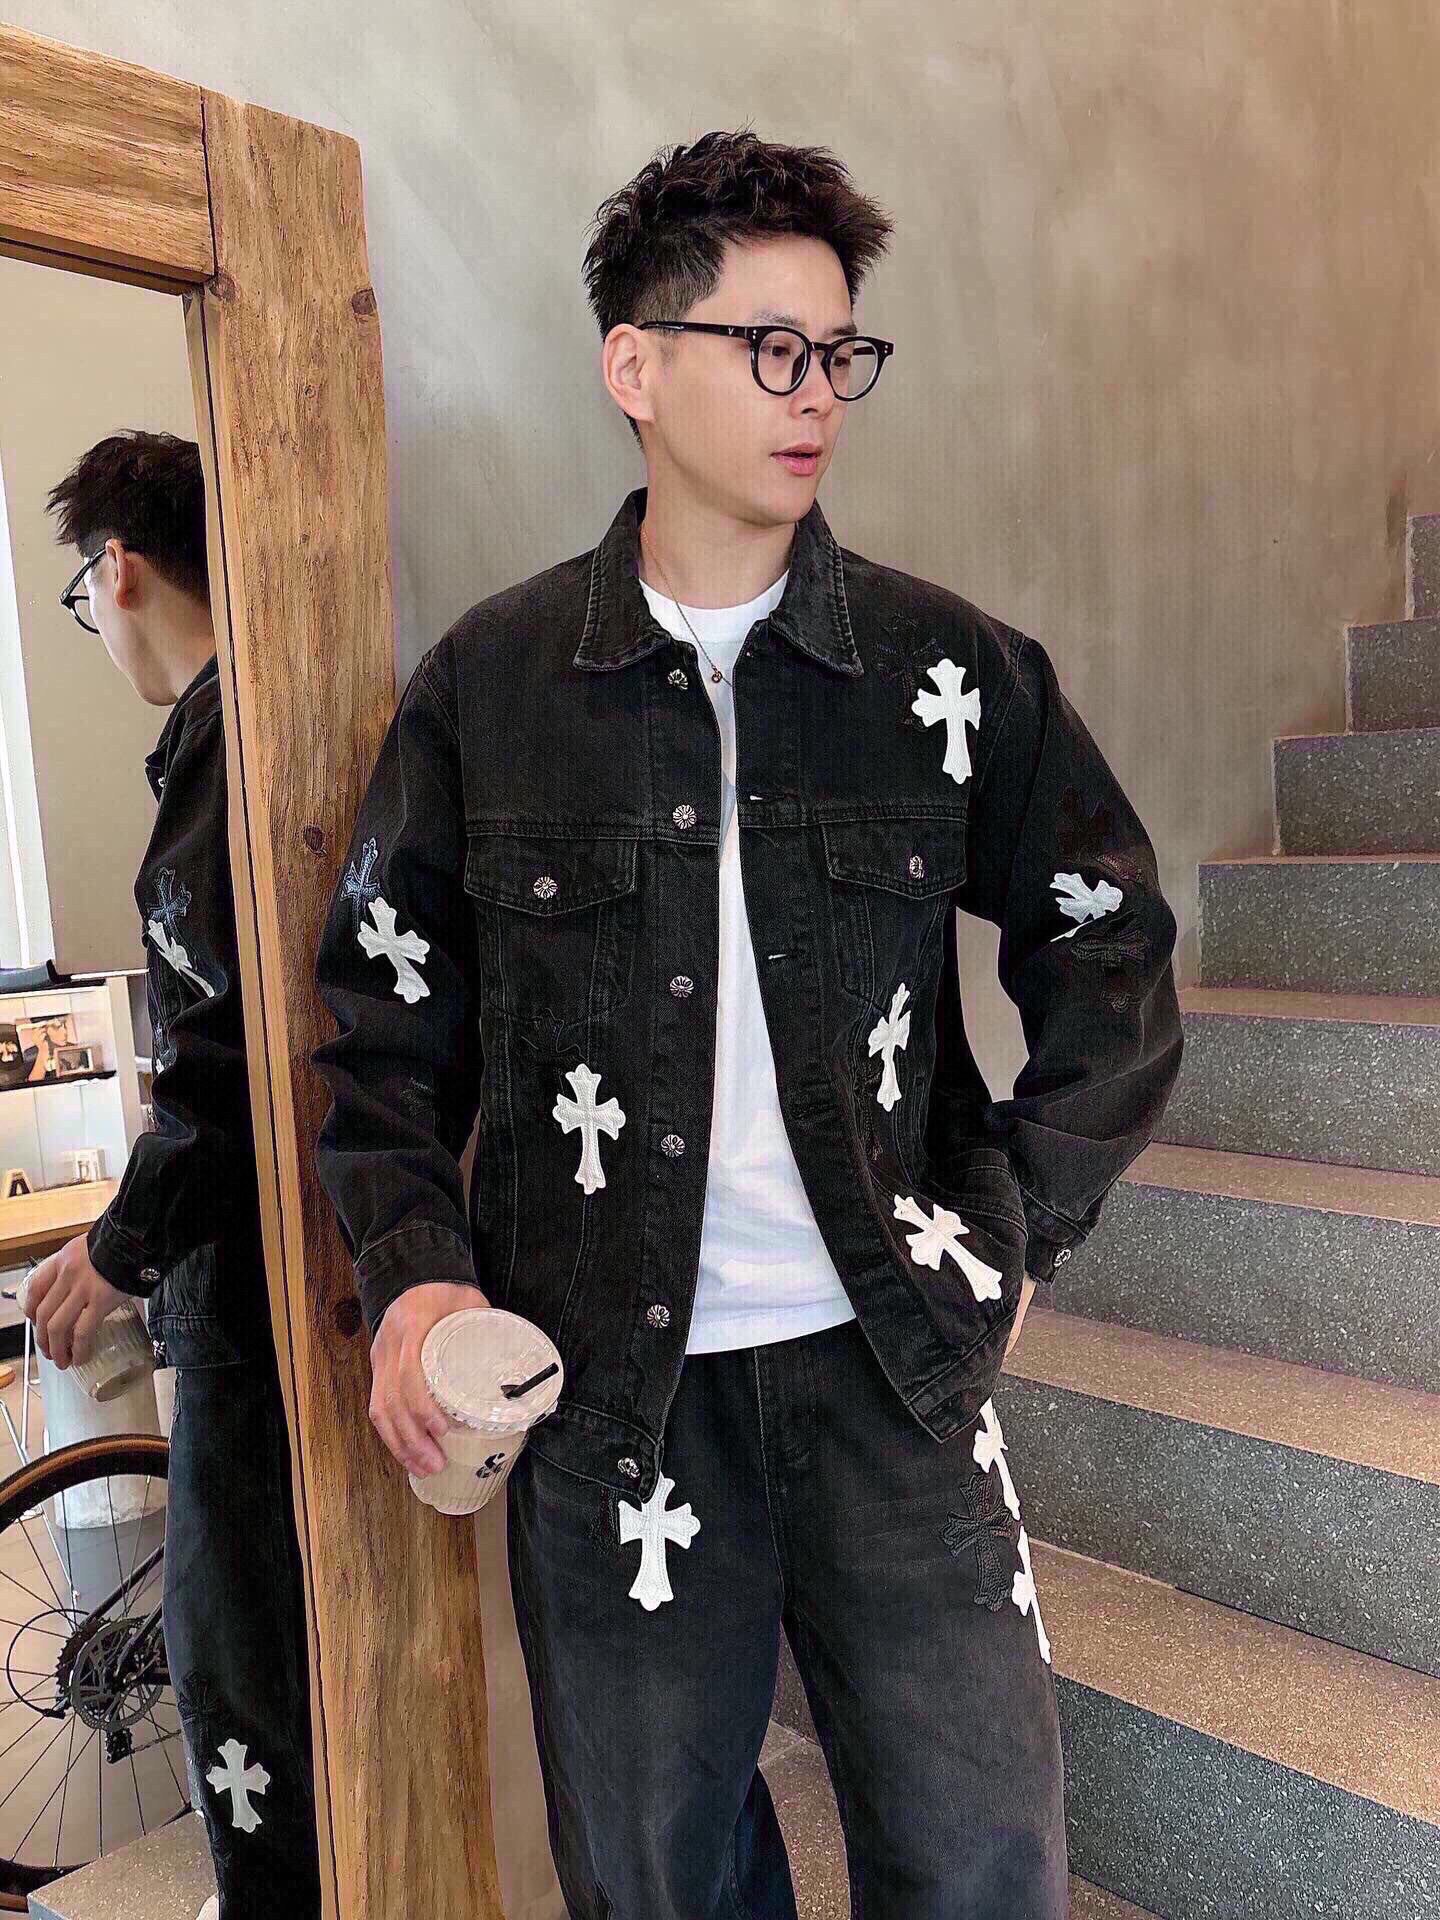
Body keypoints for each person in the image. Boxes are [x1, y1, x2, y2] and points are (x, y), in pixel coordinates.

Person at [312, 128, 1184, 1919]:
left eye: (841, 353)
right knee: (658, 1881)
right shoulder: (495, 689)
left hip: (895, 1366)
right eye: (771, 347)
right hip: (611, 1400)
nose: (816, 394)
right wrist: (413, 1278)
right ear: (635, 366)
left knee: (984, 1861)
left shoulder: (946, 674)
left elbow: (1108, 942)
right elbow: (381, 1032)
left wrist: (1019, 1226)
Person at [29, 431, 321, 1920]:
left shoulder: (221, 744)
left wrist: (115, 1249)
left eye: (83, 593)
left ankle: (270, 1899)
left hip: (251, 1302)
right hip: (293, 1275)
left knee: (239, 1650)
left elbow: (224, 1060)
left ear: (121, 567)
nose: (94, 622)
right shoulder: (265, 723)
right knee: (257, 1631)